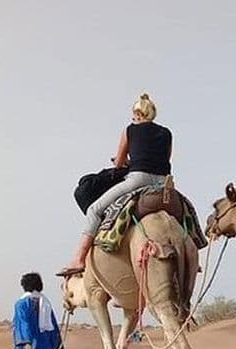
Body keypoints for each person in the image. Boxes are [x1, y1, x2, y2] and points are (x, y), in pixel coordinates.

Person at [57, 92, 173, 277]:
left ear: (137, 114)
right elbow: (164, 160)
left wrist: (126, 161)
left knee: (95, 209)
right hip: (164, 184)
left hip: (138, 179)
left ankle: (78, 258)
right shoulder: (167, 133)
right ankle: (193, 253)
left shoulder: (130, 130)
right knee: (184, 213)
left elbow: (118, 163)